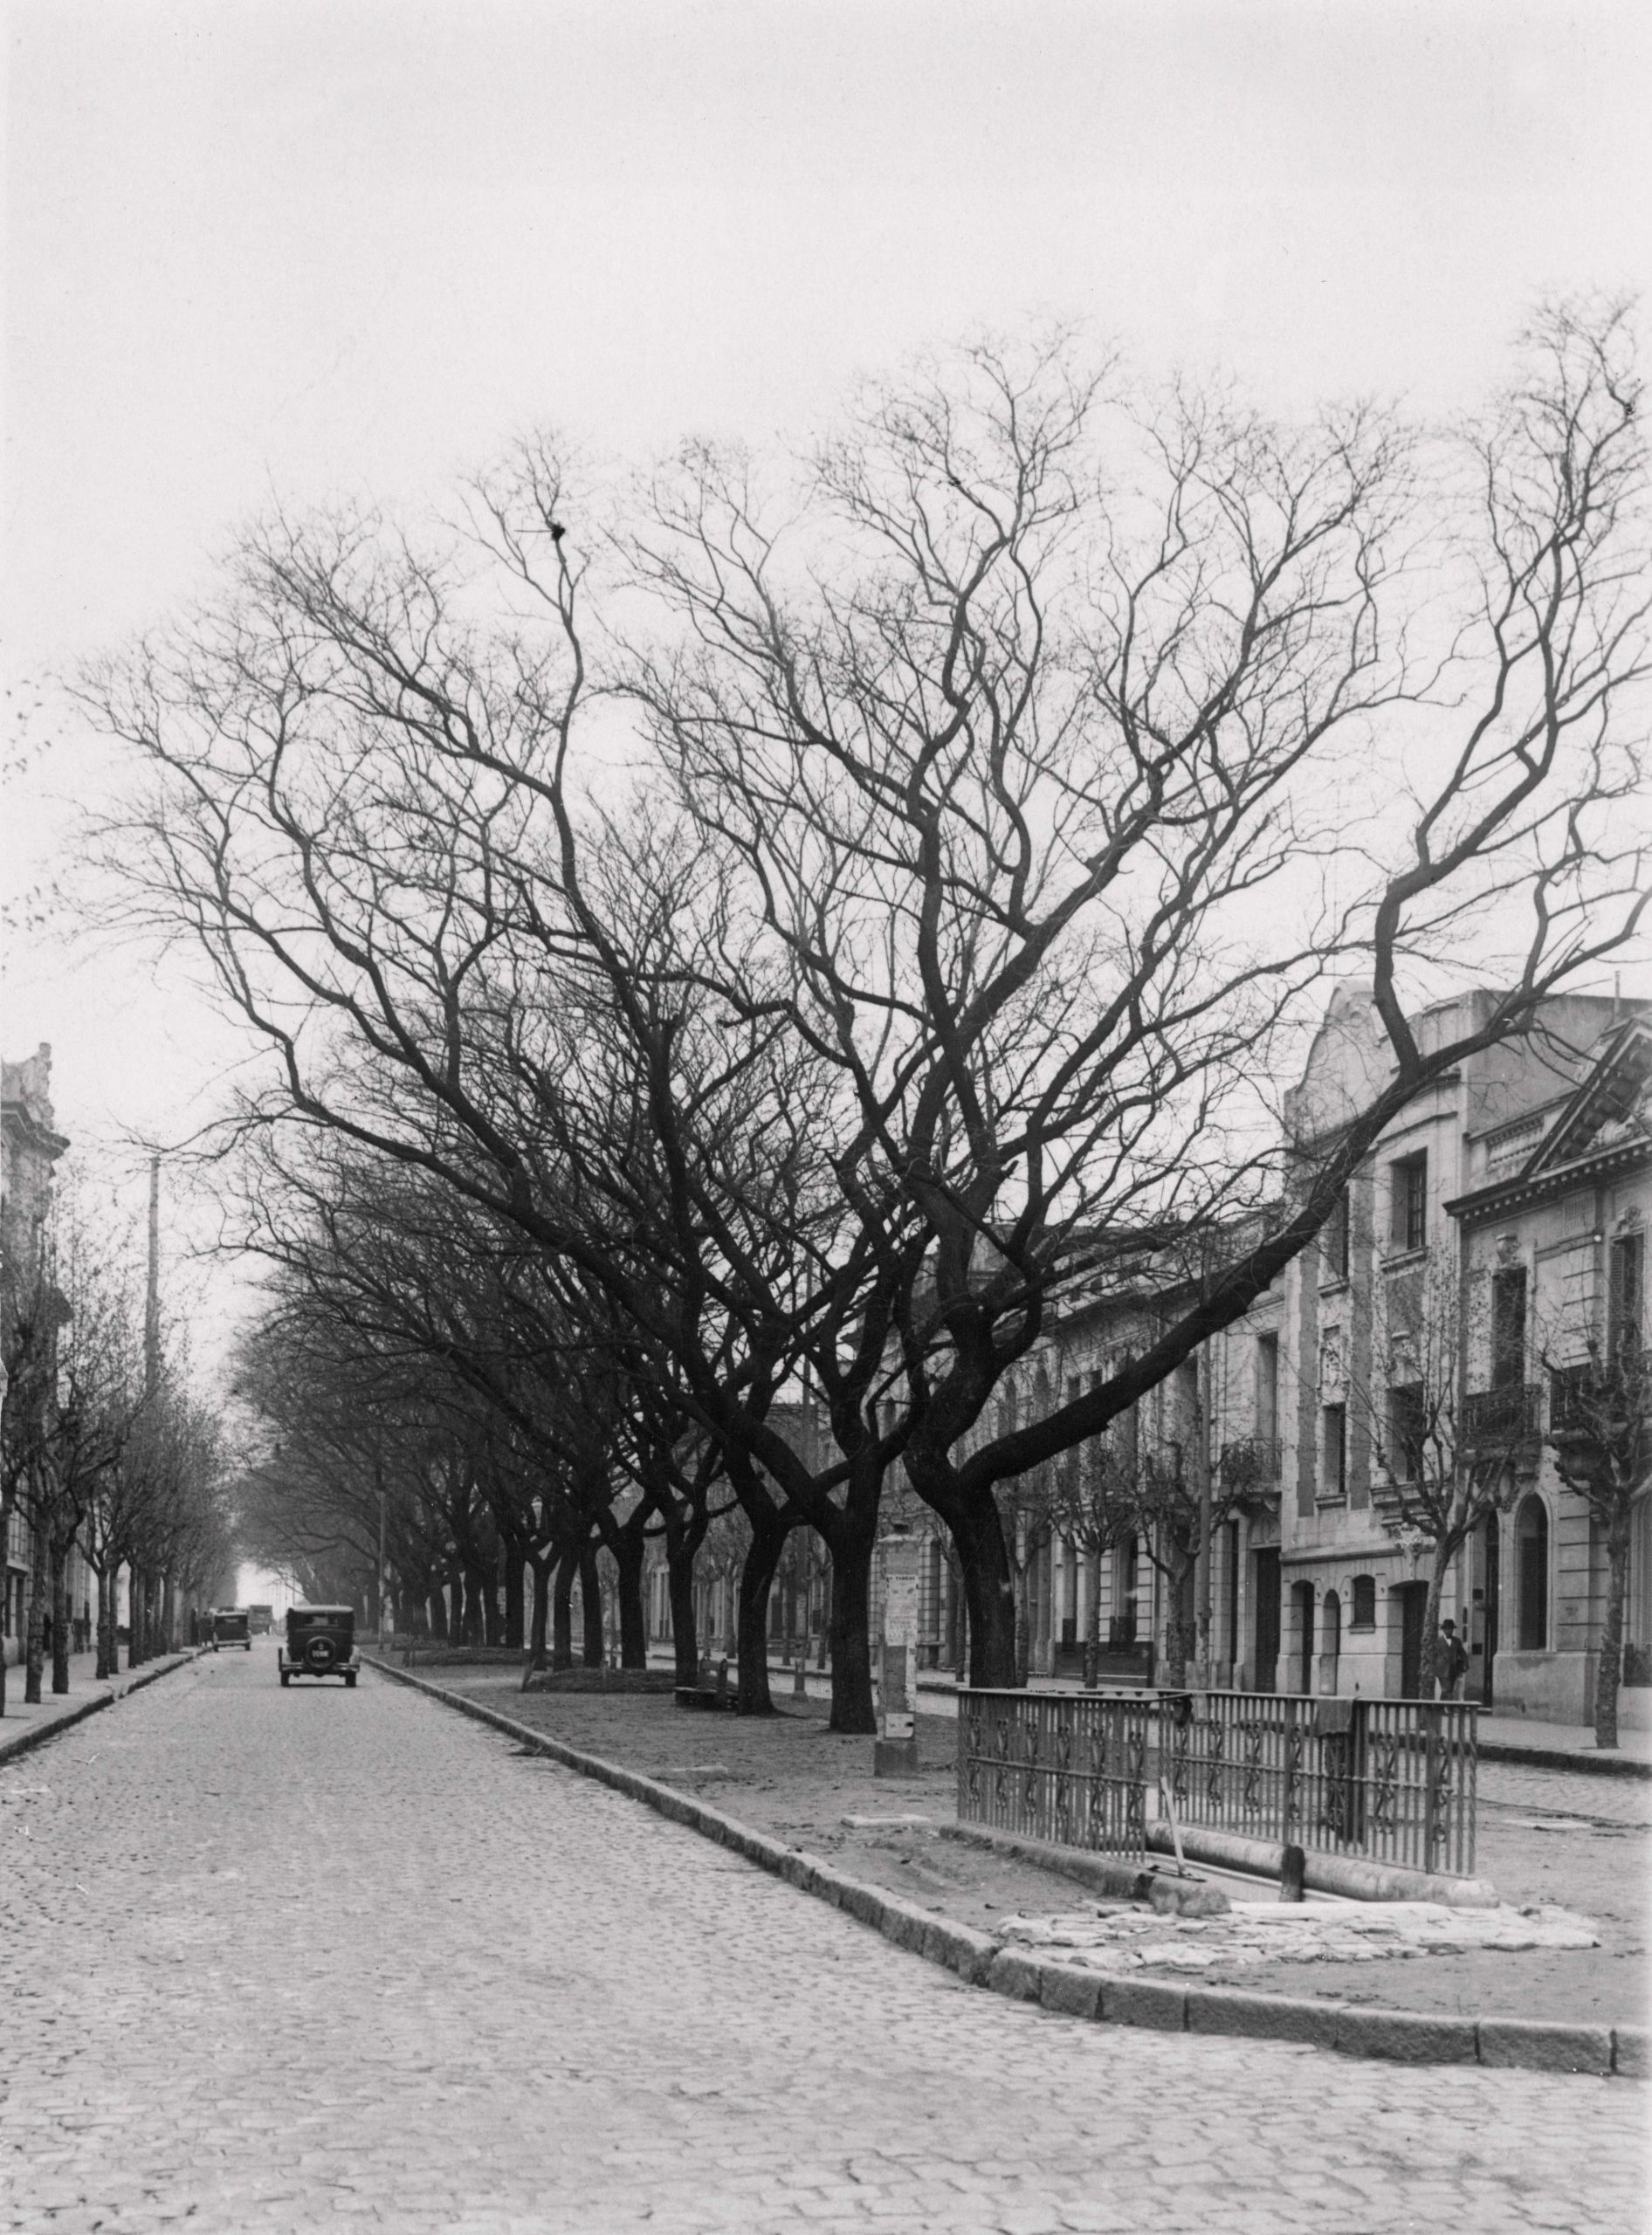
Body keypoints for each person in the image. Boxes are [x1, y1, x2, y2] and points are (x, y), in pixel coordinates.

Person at [1439, 1618, 1470, 1701]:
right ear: (1444, 1630)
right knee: (1447, 1689)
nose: (1450, 1631)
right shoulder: (1438, 1642)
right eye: (1448, 1629)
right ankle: (1450, 1710)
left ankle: (1439, 1708)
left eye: (1451, 1629)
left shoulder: (1457, 1641)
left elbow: (1463, 1653)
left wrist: (1465, 1664)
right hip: (1442, 1670)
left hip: (1453, 1669)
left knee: (1448, 1690)